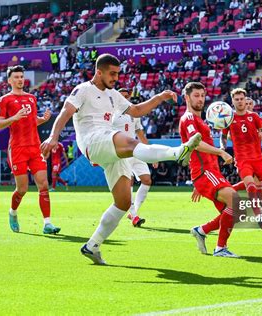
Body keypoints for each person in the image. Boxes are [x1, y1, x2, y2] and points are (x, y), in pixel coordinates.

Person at [40, 54, 202, 265]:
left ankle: (92, 245)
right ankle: (177, 152)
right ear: (99, 72)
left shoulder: (113, 94)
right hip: (92, 140)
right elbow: (65, 112)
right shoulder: (83, 90)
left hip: (107, 142)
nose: (116, 78)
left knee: (123, 202)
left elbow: (135, 110)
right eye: (112, 74)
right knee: (133, 145)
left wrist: (159, 98)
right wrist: (53, 137)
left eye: (118, 74)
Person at [0, 65, 60, 234]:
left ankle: (47, 224)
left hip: (34, 147)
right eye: (16, 77)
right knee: (22, 189)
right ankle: (13, 212)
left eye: (21, 76)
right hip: (17, 148)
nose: (20, 80)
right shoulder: (4, 100)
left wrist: (42, 119)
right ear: (9, 80)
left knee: (43, 185)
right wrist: (14, 117)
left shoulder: (31, 98)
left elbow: (31, 121)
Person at [179, 82, 240, 258]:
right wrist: (221, 152)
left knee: (233, 211)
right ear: (187, 97)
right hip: (205, 172)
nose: (200, 99)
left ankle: (202, 230)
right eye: (196, 95)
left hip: (210, 173)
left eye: (202, 95)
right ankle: (220, 248)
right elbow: (195, 144)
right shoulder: (188, 118)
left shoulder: (200, 120)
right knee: (234, 201)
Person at [221, 88, 262, 227]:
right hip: (243, 160)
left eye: (242, 99)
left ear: (246, 100)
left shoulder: (255, 117)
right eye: (237, 99)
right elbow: (223, 136)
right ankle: (259, 217)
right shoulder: (229, 118)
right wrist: (222, 148)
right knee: (251, 187)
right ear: (233, 101)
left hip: (258, 158)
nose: (240, 101)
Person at [112, 88, 157, 227]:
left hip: (135, 150)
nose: (125, 98)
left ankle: (134, 211)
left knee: (147, 180)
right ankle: (134, 216)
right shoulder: (112, 114)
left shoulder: (134, 113)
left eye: (127, 96)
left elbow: (141, 135)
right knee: (129, 181)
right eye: (122, 96)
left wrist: (151, 153)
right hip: (121, 152)